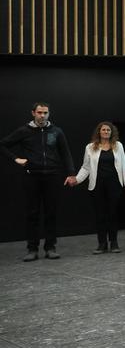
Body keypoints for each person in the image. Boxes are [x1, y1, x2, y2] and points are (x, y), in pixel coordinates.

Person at [0, 102, 76, 261]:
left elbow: (65, 153)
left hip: (52, 176)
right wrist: (15, 159)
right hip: (32, 177)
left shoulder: (56, 131)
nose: (42, 115)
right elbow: (3, 145)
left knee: (51, 213)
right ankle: (32, 249)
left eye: (45, 112)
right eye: (40, 112)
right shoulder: (24, 131)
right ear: (33, 113)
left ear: (49, 113)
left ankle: (50, 247)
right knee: (32, 214)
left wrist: (71, 174)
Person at [70, 122, 125, 253]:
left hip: (114, 184)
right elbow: (86, 167)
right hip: (97, 185)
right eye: (103, 130)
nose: (106, 132)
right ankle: (102, 243)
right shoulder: (90, 147)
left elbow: (124, 165)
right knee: (100, 214)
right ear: (99, 132)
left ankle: (114, 243)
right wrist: (77, 179)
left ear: (112, 132)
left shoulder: (118, 146)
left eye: (108, 130)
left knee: (112, 213)